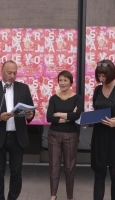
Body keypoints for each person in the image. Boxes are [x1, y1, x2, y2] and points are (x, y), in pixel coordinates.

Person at [0, 60, 35, 200]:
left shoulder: (23, 88)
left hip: (17, 138)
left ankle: (12, 198)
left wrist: (30, 114)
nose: (12, 75)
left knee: (16, 173)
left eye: (15, 73)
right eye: (9, 72)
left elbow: (30, 109)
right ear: (2, 72)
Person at [91, 59, 115, 200]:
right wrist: (88, 120)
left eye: (104, 76)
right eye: (99, 76)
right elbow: (95, 111)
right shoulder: (97, 89)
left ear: (112, 74)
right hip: (100, 136)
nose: (101, 79)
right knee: (99, 173)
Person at [46, 70, 84, 200]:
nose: (62, 83)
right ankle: (53, 195)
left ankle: (70, 197)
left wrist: (59, 114)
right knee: (54, 166)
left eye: (65, 80)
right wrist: (68, 115)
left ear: (71, 82)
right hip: (54, 135)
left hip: (71, 135)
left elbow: (77, 115)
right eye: (60, 80)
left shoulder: (77, 98)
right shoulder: (53, 98)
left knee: (69, 167)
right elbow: (49, 117)